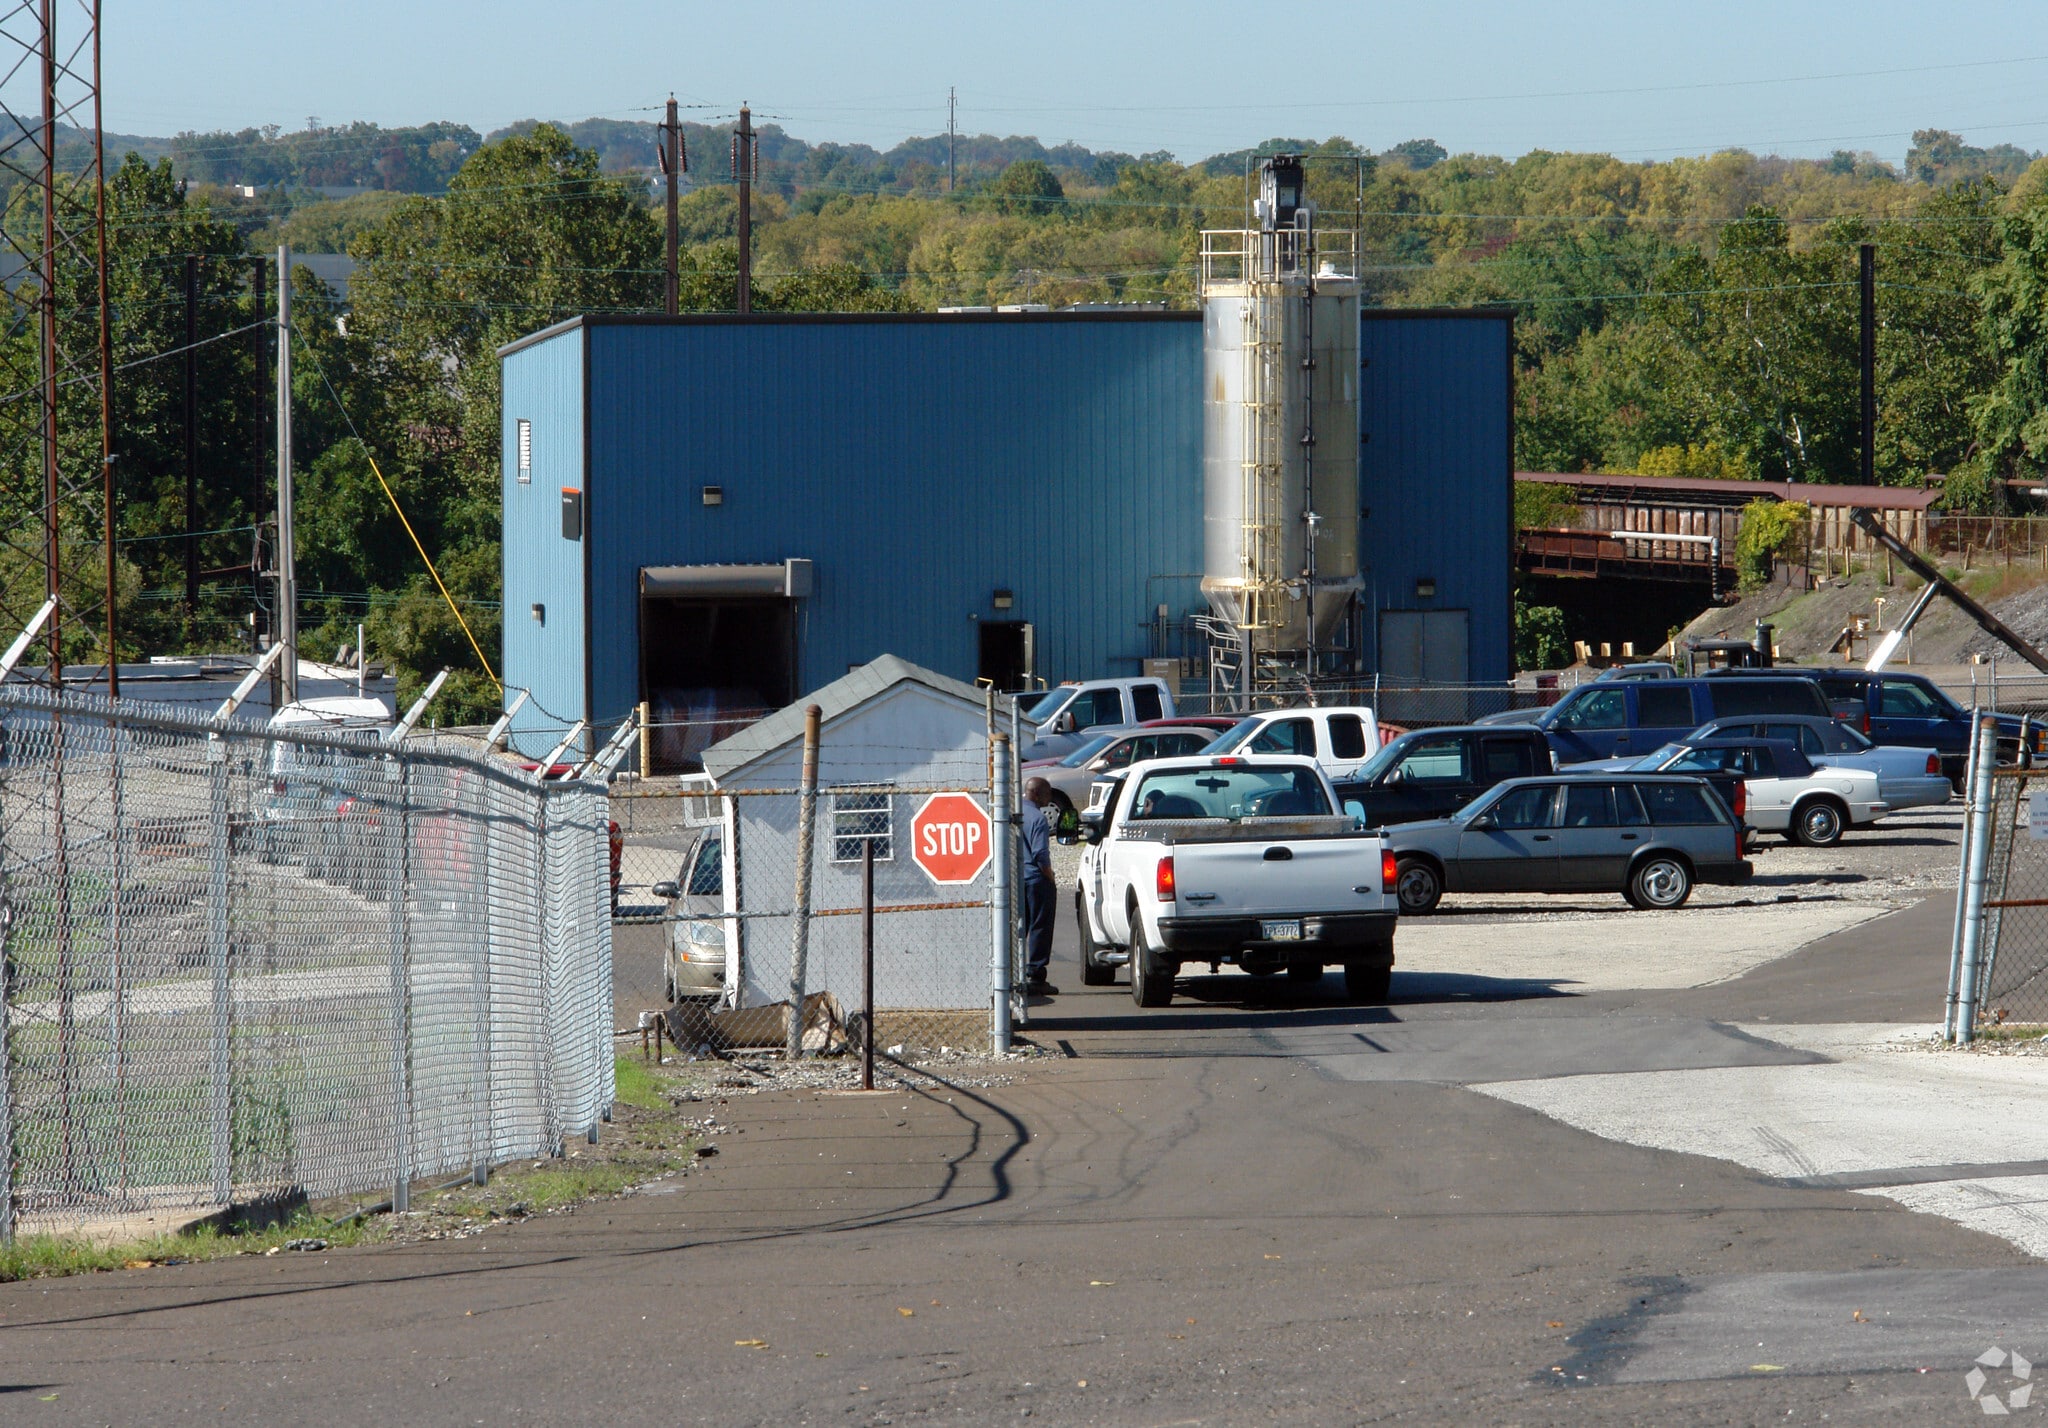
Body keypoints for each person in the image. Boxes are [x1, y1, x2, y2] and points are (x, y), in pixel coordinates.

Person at [1019, 776, 1058, 994]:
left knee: (1018, 926)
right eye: (1047, 792)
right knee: (1040, 926)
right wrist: (1049, 875)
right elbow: (1040, 853)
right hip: (1035, 879)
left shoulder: (1012, 814)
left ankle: (1013, 969)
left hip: (1016, 879)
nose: (1049, 797)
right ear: (1035, 792)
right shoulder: (1038, 819)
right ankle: (1035, 974)